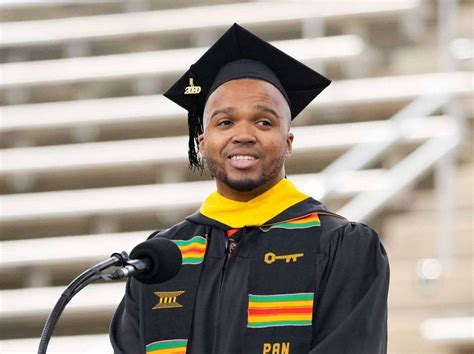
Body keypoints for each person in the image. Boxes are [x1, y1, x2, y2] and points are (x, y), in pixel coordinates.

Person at [109, 23, 389, 354]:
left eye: (264, 122)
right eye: (225, 122)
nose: (243, 135)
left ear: (288, 144)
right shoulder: (162, 258)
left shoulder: (340, 248)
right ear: (203, 143)